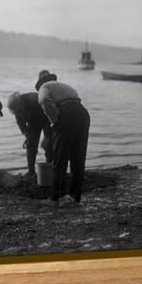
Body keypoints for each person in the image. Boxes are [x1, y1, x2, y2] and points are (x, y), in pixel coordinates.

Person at [35, 70, 90, 207]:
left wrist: (54, 122)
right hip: (82, 113)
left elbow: (45, 101)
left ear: (40, 82)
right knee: (78, 158)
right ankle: (75, 195)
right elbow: (77, 101)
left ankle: (56, 197)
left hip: (66, 113)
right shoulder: (65, 86)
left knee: (60, 159)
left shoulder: (44, 87)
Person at [6, 92, 53, 175]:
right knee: (30, 145)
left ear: (20, 103)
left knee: (48, 145)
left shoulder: (34, 100)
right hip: (33, 123)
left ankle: (49, 169)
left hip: (46, 119)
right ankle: (31, 171)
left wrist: (47, 136)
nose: (17, 112)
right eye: (15, 111)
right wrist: (27, 137)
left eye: (18, 109)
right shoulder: (16, 109)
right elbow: (21, 125)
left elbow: (48, 118)